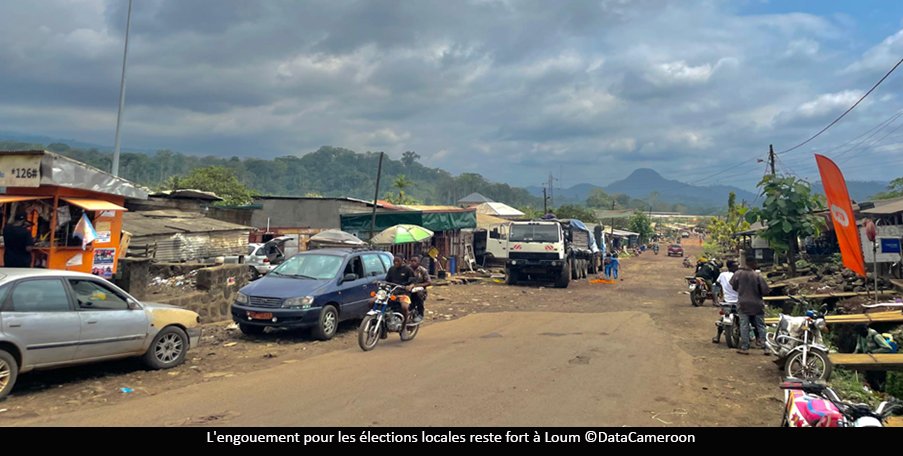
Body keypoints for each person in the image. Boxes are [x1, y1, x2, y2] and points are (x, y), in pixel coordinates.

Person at [730, 257, 770, 355]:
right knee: (760, 325)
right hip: (757, 304)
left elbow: (734, 286)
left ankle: (745, 347)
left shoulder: (738, 274)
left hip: (743, 303)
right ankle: (766, 348)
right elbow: (765, 291)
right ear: (753, 264)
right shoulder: (757, 276)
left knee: (744, 325)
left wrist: (742, 291)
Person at [712, 260, 739, 343]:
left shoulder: (722, 275)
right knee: (746, 318)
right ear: (730, 267)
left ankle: (717, 336)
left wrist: (717, 296)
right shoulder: (739, 275)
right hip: (739, 301)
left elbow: (716, 284)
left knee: (724, 317)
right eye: (736, 266)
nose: (737, 267)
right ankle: (753, 336)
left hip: (727, 301)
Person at [407, 256, 431, 323]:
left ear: (418, 262)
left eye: (415, 261)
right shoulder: (407, 269)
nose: (413, 263)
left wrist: (417, 286)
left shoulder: (423, 270)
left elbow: (429, 282)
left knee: (419, 295)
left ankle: (420, 314)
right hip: (408, 288)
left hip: (419, 290)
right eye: (411, 261)